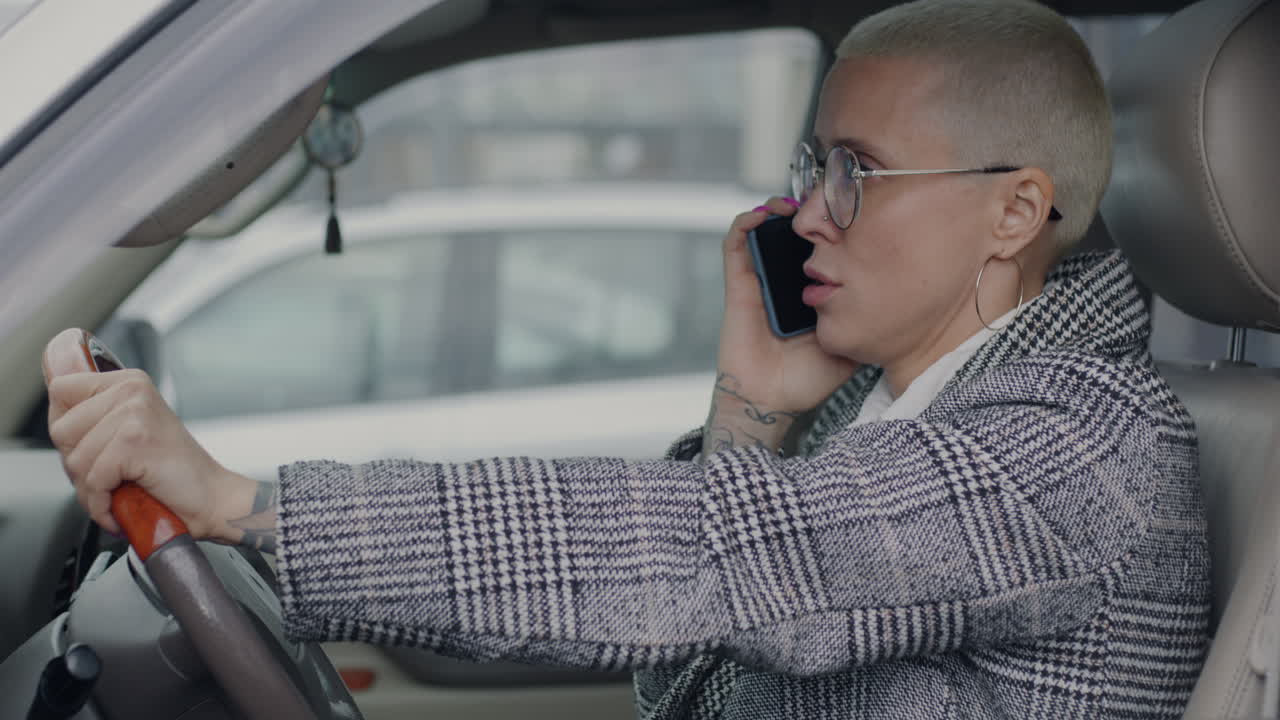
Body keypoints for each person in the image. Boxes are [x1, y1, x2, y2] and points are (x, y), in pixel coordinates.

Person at [43, 0, 1211, 717]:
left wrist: (248, 507)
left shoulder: (1079, 447)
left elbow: (707, 559)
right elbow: (691, 677)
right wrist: (753, 409)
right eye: (813, 168)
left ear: (1012, 215)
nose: (807, 213)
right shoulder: (894, 408)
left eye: (855, 172)